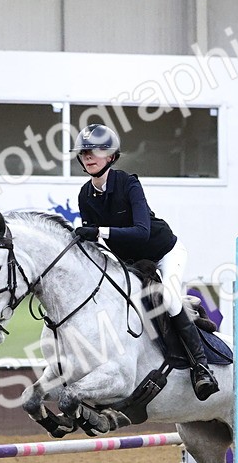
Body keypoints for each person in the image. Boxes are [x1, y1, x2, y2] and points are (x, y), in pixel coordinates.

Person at [73, 123, 218, 400]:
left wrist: (100, 232)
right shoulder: (85, 194)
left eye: (95, 151)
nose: (88, 156)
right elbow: (93, 242)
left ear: (112, 156)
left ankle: (201, 368)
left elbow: (142, 232)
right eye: (84, 152)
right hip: (131, 262)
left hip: (165, 253)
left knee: (171, 299)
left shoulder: (129, 183)